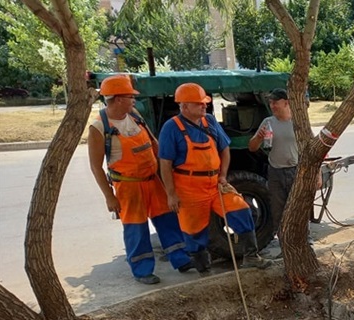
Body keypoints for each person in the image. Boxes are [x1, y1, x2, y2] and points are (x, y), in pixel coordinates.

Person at [88, 75, 195, 285]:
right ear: (118, 99)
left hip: (152, 181)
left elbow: (154, 144)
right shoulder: (99, 128)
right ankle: (142, 270)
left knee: (167, 220)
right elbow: (95, 166)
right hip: (128, 186)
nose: (134, 100)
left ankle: (181, 259)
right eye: (130, 96)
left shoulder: (135, 115)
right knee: (136, 228)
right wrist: (109, 197)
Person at [158, 82, 269, 273]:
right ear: (184, 106)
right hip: (189, 188)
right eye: (199, 103)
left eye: (205, 102)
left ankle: (251, 256)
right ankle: (202, 264)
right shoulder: (171, 128)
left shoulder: (209, 121)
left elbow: (224, 148)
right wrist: (171, 194)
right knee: (194, 230)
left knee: (243, 210)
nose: (204, 106)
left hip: (215, 184)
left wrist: (223, 175)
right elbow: (165, 164)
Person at [248, 88, 298, 245]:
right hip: (275, 172)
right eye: (270, 102)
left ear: (286, 103)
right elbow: (252, 147)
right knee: (278, 210)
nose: (272, 105)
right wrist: (258, 138)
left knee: (298, 207)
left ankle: (303, 240)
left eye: (275, 102)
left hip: (295, 170)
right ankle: (285, 244)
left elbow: (310, 148)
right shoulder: (268, 122)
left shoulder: (298, 122)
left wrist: (315, 173)